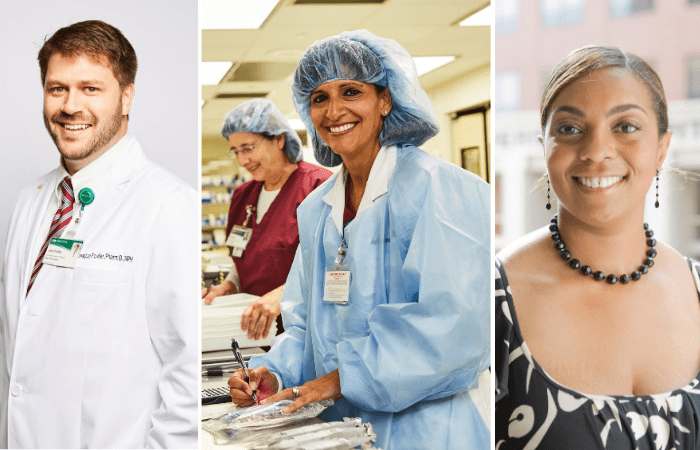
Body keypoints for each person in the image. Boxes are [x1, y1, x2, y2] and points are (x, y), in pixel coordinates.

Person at [227, 30, 491, 449]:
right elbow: (305, 325)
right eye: (319, 99)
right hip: (339, 430)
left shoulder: (441, 190)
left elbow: (452, 329)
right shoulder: (316, 210)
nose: (334, 111)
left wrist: (336, 381)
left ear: (385, 100)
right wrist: (274, 373)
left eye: (351, 91)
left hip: (426, 431)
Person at [0, 21, 198, 448]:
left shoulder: (166, 205)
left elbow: (186, 365)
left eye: (91, 89)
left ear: (126, 98)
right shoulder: (30, 202)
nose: (70, 106)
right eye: (57, 89)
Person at [495, 46, 700, 449]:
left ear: (661, 146)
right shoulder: (494, 300)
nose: (596, 151)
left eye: (625, 126)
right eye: (570, 129)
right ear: (545, 147)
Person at [201, 98, 331, 340]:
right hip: (252, 330)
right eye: (236, 151)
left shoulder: (318, 187)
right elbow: (248, 255)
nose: (242, 161)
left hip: (303, 329)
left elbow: (334, 263)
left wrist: (284, 294)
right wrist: (232, 283)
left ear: (279, 139)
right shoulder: (243, 196)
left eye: (248, 148)